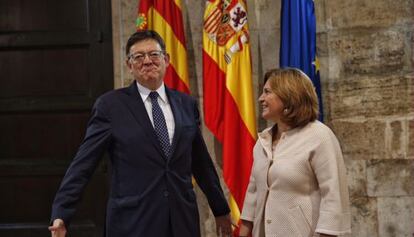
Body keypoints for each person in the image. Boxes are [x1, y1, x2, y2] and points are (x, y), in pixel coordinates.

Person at [49, 30, 232, 237]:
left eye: (154, 54)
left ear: (166, 60)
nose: (147, 61)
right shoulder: (111, 106)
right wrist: (61, 212)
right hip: (133, 223)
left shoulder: (186, 104)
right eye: (138, 57)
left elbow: (201, 163)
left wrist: (220, 209)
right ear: (129, 65)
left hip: (181, 221)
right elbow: (83, 164)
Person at [238, 68, 351, 237]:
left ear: (288, 96)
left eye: (267, 92)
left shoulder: (319, 136)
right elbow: (253, 193)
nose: (261, 98)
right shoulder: (263, 140)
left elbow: (334, 197)